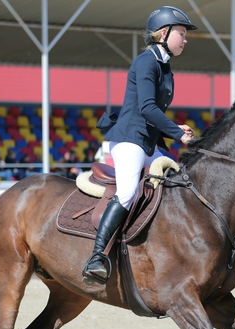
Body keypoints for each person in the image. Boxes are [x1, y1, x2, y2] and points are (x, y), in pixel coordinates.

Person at [82, 6, 197, 283]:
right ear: (163, 33)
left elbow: (153, 113)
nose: (185, 39)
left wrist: (172, 130)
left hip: (149, 144)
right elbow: (146, 108)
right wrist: (176, 132)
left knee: (176, 185)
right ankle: (97, 257)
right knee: (128, 192)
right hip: (129, 140)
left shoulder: (165, 68)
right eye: (181, 33)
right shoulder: (146, 62)